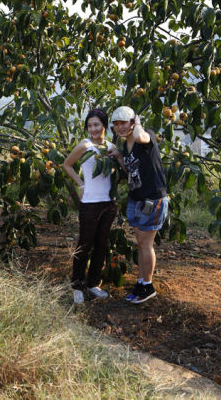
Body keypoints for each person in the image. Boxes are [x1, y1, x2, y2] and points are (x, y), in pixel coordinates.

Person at [107, 106, 168, 304]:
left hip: (152, 197)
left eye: (123, 123)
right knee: (141, 242)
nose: (120, 127)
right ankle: (141, 283)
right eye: (116, 124)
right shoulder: (126, 145)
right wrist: (118, 155)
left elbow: (142, 136)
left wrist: (138, 123)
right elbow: (129, 170)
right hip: (137, 198)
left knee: (146, 243)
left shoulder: (145, 135)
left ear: (133, 122)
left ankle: (147, 285)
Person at [63, 109, 118, 304]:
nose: (93, 129)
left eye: (96, 124)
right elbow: (67, 165)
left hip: (108, 203)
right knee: (84, 245)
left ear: (104, 125)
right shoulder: (84, 145)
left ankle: (93, 283)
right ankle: (76, 285)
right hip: (89, 204)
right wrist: (81, 184)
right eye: (89, 125)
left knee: (101, 245)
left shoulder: (111, 147)